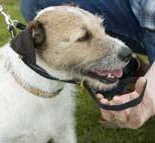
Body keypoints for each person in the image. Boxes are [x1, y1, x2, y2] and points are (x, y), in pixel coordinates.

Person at [20, 0, 155, 129]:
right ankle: (132, 75)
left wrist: (150, 97)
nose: (122, 50)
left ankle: (141, 84)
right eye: (84, 37)